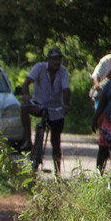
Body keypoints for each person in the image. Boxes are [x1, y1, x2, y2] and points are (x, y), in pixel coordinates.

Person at [20, 47, 71, 176]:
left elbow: (66, 89)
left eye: (59, 59)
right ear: (48, 60)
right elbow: (26, 84)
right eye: (54, 59)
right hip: (39, 104)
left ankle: (58, 173)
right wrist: (26, 95)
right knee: (24, 107)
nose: (56, 62)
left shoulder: (63, 71)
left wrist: (66, 104)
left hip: (56, 108)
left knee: (56, 141)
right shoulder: (39, 68)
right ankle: (27, 140)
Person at [92, 62, 111, 175]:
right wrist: (95, 119)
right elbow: (102, 103)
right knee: (103, 151)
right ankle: (99, 174)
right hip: (108, 124)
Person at [90, 40, 111, 108]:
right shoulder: (106, 60)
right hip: (106, 87)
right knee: (97, 95)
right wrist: (97, 85)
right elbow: (96, 75)